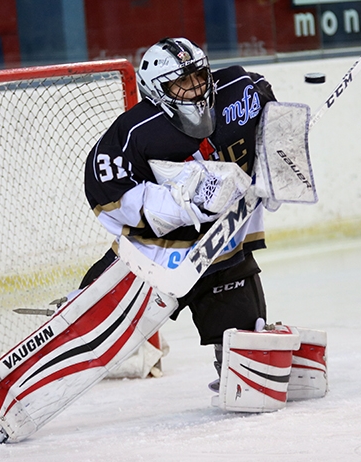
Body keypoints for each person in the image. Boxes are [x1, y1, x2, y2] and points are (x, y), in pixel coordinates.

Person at [81, 37, 277, 390]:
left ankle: (237, 374)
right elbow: (111, 198)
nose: (195, 88)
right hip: (159, 256)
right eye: (181, 82)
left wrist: (279, 157)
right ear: (157, 90)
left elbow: (271, 137)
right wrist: (184, 204)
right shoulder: (133, 133)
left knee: (247, 344)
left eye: (199, 77)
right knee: (89, 323)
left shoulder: (238, 92)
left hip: (221, 251)